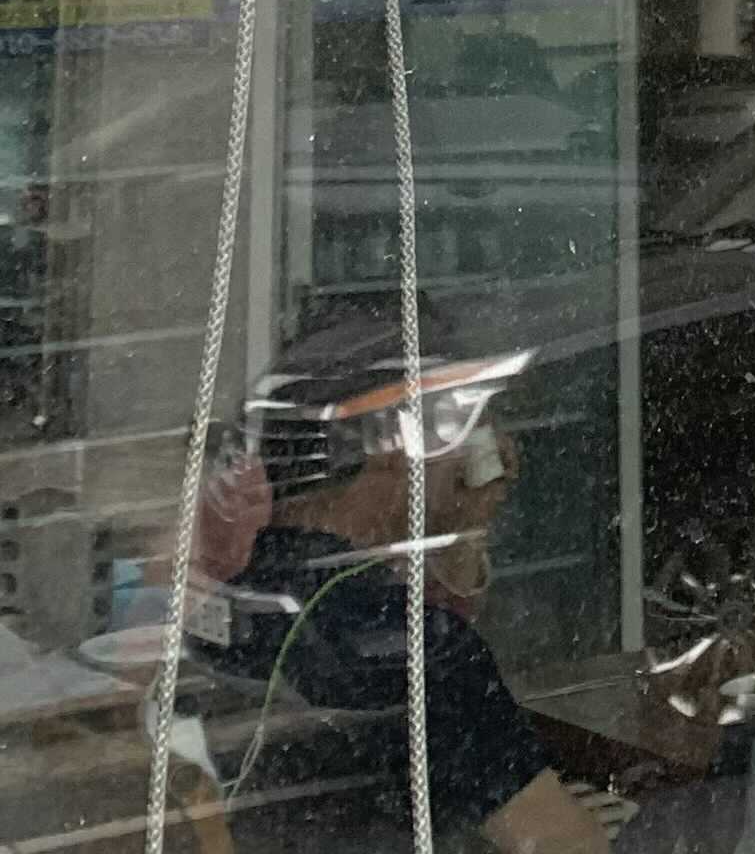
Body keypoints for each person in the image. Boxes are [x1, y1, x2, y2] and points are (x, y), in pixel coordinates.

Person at [214, 312, 603, 854]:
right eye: (466, 426)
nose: (479, 451)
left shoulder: (235, 598)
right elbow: (562, 844)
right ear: (394, 445)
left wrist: (463, 530)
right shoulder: (418, 651)